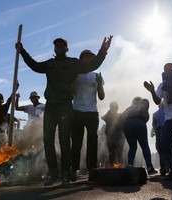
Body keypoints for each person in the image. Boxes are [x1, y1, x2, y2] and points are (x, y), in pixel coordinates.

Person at [15, 35, 113, 187]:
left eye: (62, 46)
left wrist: (104, 50)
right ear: (54, 49)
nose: (59, 48)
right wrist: (22, 51)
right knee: (48, 140)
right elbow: (35, 66)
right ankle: (53, 173)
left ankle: (66, 175)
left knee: (65, 141)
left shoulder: (73, 63)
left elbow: (93, 65)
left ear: (67, 49)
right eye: (57, 46)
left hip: (66, 106)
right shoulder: (50, 64)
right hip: (51, 106)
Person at [70, 50, 105, 182]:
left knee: (92, 140)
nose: (88, 59)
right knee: (77, 142)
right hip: (77, 111)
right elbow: (71, 92)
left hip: (92, 112)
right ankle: (73, 169)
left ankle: (92, 170)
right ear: (81, 59)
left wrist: (100, 84)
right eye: (86, 57)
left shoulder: (96, 75)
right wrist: (72, 81)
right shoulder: (76, 74)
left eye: (91, 57)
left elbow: (101, 97)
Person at [123, 97, 157, 175]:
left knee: (132, 147)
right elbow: (145, 116)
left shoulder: (128, 108)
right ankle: (149, 167)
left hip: (127, 124)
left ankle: (130, 164)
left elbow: (122, 117)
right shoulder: (142, 106)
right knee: (144, 146)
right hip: (139, 122)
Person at [152, 100, 172, 176]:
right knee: (171, 148)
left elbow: (154, 125)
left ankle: (163, 169)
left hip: (159, 131)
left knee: (161, 150)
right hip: (168, 129)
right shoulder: (169, 112)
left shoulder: (155, 114)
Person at [101, 101, 125, 167]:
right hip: (110, 138)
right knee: (112, 154)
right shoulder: (107, 116)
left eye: (115, 108)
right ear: (110, 108)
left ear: (117, 108)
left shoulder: (120, 116)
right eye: (112, 107)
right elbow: (102, 118)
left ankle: (120, 167)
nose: (114, 109)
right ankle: (113, 167)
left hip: (119, 138)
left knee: (119, 153)